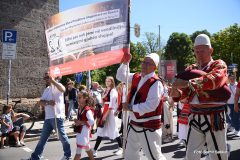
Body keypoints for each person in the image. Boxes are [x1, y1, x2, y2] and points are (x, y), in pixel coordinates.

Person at [171, 34, 228, 160]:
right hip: (195, 116)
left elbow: (215, 79)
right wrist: (176, 93)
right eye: (196, 51)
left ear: (211, 50)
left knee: (218, 155)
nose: (199, 53)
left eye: (202, 50)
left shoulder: (219, 65)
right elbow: (185, 93)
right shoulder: (191, 68)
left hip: (215, 117)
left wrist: (188, 83)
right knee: (191, 155)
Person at [116, 53, 166, 160]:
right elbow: (120, 76)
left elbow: (151, 106)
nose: (144, 64)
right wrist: (125, 62)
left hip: (148, 125)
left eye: (148, 63)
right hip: (134, 123)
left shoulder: (156, 83)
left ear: (155, 67)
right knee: (130, 156)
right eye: (144, 62)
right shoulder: (136, 77)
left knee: (154, 157)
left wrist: (130, 107)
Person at [24, 73, 72, 160]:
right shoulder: (47, 89)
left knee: (62, 137)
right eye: (45, 77)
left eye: (47, 77)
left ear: (53, 77)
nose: (46, 79)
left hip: (57, 116)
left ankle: (67, 155)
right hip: (48, 118)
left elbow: (63, 89)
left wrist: (52, 80)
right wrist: (48, 103)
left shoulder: (58, 85)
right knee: (42, 138)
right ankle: (35, 156)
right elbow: (41, 101)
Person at [92, 76, 123, 156]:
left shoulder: (113, 91)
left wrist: (105, 115)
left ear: (112, 82)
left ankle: (121, 147)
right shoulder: (106, 90)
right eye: (106, 81)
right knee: (100, 130)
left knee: (114, 130)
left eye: (109, 81)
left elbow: (112, 104)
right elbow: (103, 102)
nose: (107, 82)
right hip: (105, 110)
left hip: (110, 112)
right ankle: (95, 149)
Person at [73, 90, 95, 160]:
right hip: (81, 131)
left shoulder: (87, 110)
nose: (78, 98)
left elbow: (91, 121)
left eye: (80, 97)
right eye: (78, 97)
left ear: (85, 98)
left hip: (84, 131)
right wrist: (77, 122)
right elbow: (81, 120)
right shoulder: (80, 108)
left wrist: (81, 122)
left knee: (79, 150)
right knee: (87, 148)